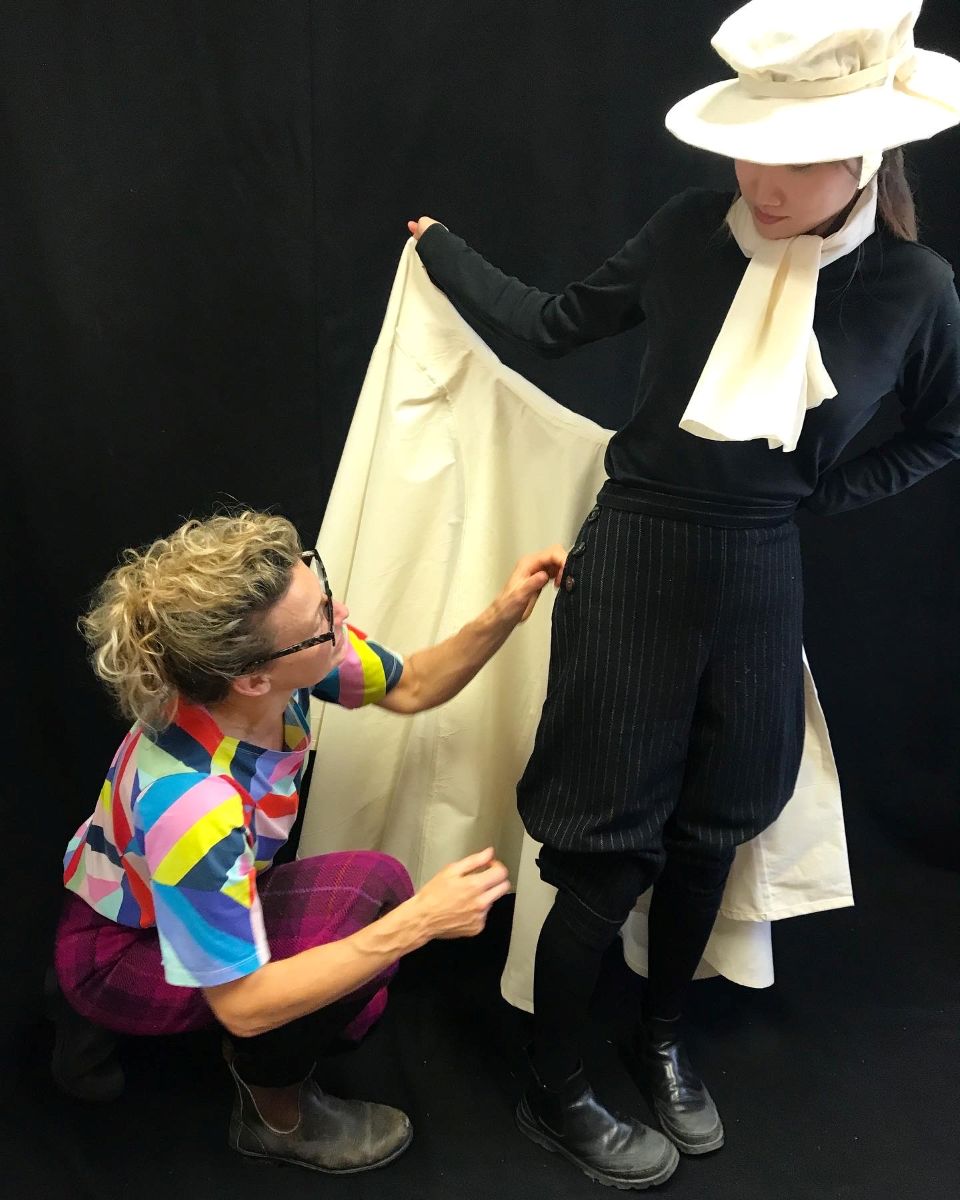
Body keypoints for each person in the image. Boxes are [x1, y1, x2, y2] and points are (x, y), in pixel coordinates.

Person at [405, 0, 960, 1188]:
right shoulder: (681, 234)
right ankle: (556, 1086)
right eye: (751, 143)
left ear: (863, 151)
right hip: (640, 557)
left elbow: (941, 430)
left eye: (801, 155)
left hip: (762, 567)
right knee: (606, 847)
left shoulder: (915, 288)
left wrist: (808, 497)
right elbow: (555, 326)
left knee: (717, 827)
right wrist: (443, 252)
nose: (761, 178)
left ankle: (658, 1040)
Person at [53, 507, 565, 1174]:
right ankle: (275, 1114)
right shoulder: (194, 804)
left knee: (378, 887)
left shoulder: (280, 667)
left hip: (152, 891)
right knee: (376, 928)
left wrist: (504, 611)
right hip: (117, 950)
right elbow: (241, 1006)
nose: (342, 617)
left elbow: (412, 685)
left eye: (323, 597)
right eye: (323, 619)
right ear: (253, 678)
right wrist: (418, 926)